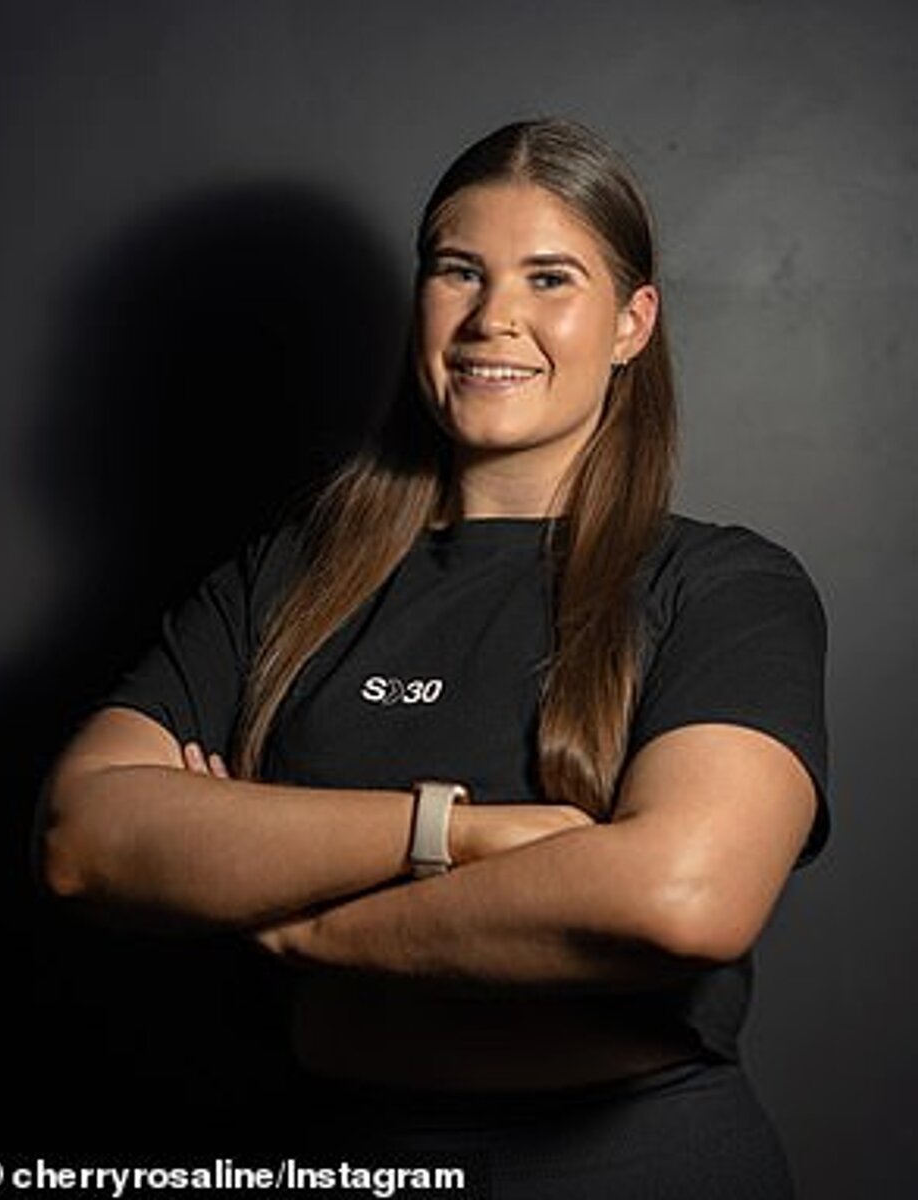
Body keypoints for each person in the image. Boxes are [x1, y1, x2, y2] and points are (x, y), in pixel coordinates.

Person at [40, 118, 828, 1198]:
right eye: (459, 271)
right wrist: (460, 832)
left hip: (638, 1164)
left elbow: (683, 895)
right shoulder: (287, 581)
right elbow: (85, 838)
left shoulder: (723, 586)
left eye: (548, 278)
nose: (492, 317)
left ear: (630, 322)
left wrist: (299, 920)